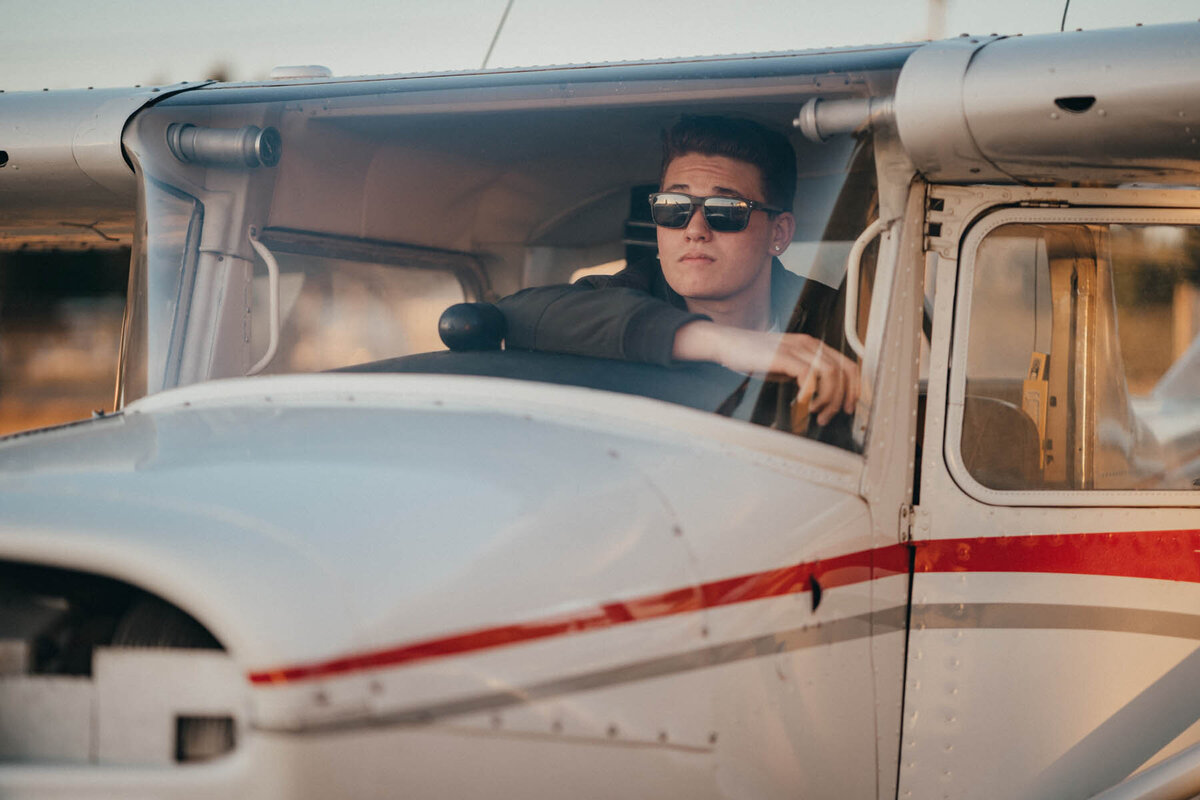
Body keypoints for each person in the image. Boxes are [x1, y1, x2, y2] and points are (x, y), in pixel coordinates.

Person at [494, 115, 860, 430]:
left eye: (726, 209)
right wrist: (722, 342)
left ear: (778, 233)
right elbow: (514, 315)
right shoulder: (624, 293)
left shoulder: (837, 317)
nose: (694, 229)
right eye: (673, 207)